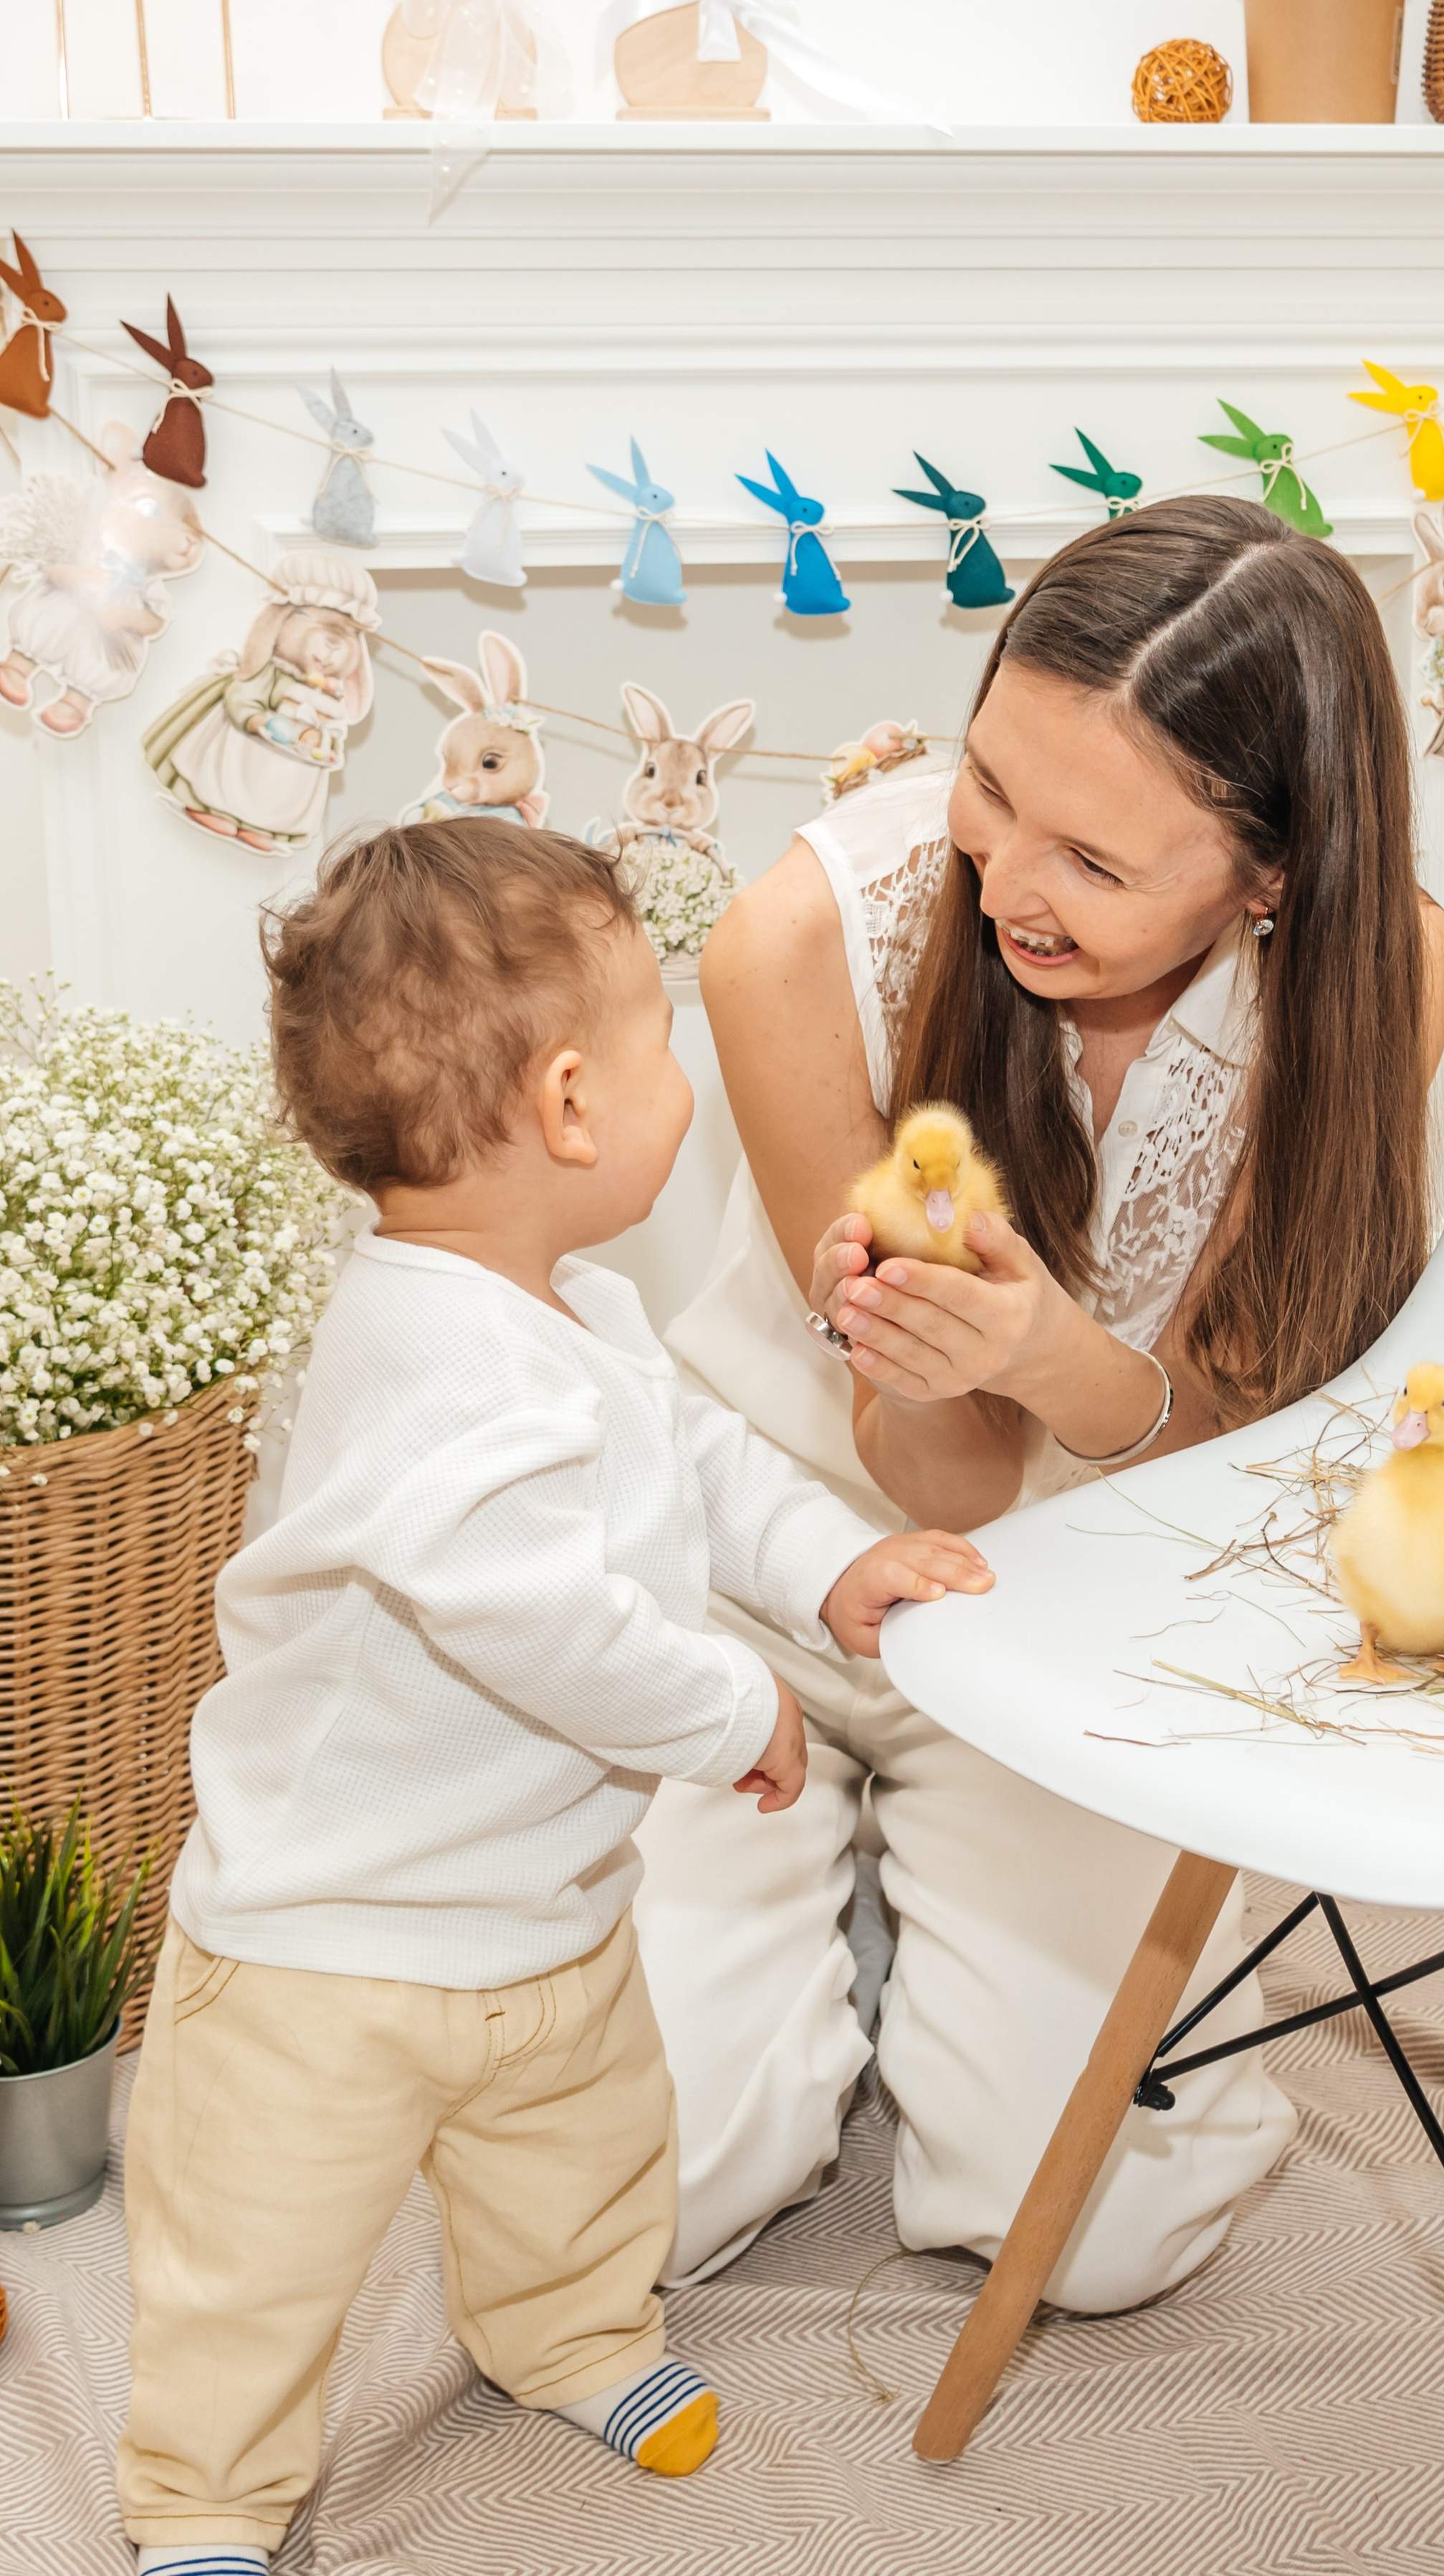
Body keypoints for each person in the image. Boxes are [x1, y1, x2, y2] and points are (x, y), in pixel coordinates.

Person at [115, 823, 991, 2575]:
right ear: (575, 1105)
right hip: (329, 1952)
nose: (688, 1084)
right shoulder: (417, 1354)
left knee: (581, 2161)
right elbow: (537, 1620)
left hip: (546, 1912)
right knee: (252, 2248)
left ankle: (574, 2335)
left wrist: (828, 1567)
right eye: (668, 1044)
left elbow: (700, 1463)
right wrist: (733, 1704)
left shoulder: (571, 1305)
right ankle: (205, 2499)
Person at [638, 496, 1444, 2309]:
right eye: (989, 786)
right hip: (761, 1582)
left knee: (1087, 2236)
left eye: (1093, 860)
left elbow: (1231, 1438)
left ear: (1269, 874)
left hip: (1077, 1610)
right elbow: (914, 1462)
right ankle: (838, 1914)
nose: (1006, 880)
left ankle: (917, 1927)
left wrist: (1038, 1357)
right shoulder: (789, 946)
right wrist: (962, 1371)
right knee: (646, 2203)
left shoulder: (1372, 973)